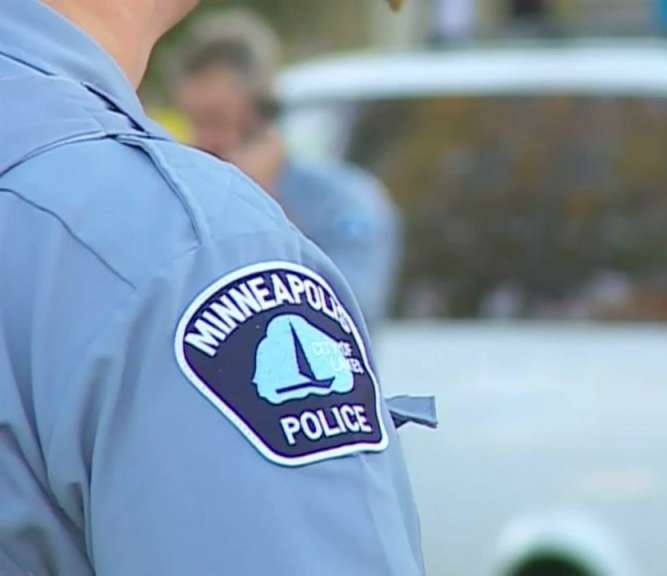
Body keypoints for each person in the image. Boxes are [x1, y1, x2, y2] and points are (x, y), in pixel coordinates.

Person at [0, 1, 433, 575]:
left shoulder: (281, 218)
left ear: (263, 113)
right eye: (197, 122)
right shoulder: (194, 249)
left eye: (223, 121)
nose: (210, 139)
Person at [173, 10, 400, 325]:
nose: (202, 140)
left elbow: (349, 312)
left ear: (262, 113)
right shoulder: (187, 208)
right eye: (194, 122)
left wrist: (255, 206)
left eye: (216, 120)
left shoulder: (344, 202)